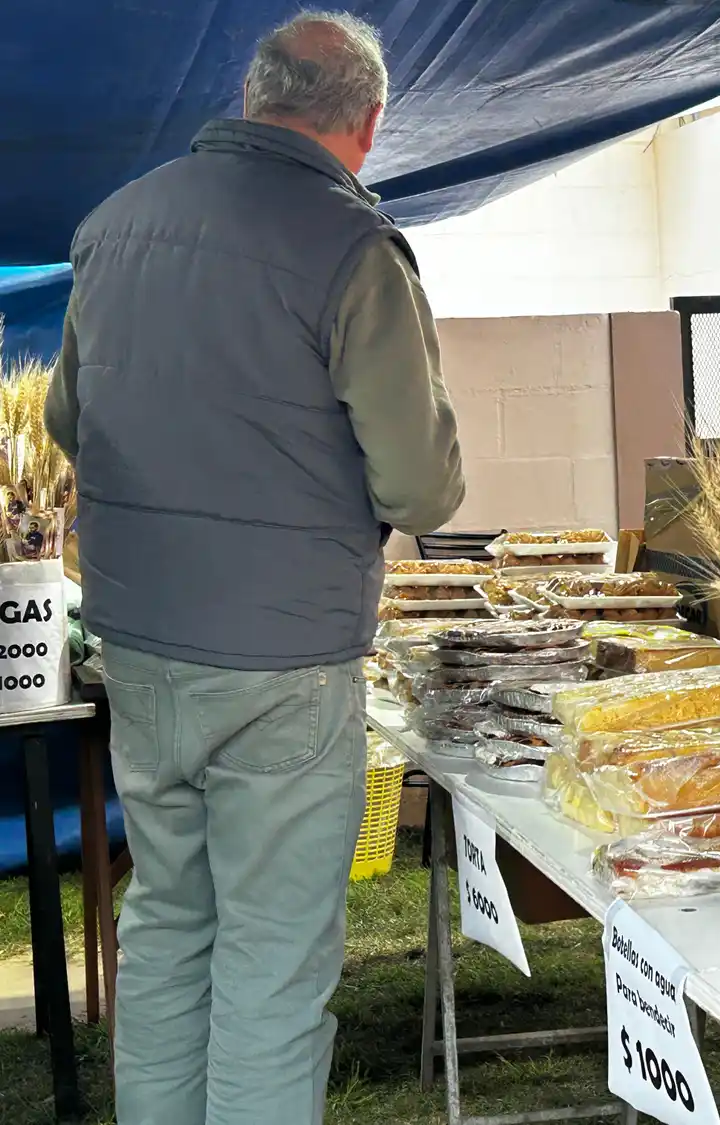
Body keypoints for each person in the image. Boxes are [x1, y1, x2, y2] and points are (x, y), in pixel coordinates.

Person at [45, 12, 465, 1124]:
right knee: (274, 968)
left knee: (171, 931)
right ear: (368, 125)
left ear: (250, 95)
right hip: (283, 660)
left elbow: (67, 419)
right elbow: (422, 491)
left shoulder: (114, 225)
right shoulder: (351, 247)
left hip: (139, 644)